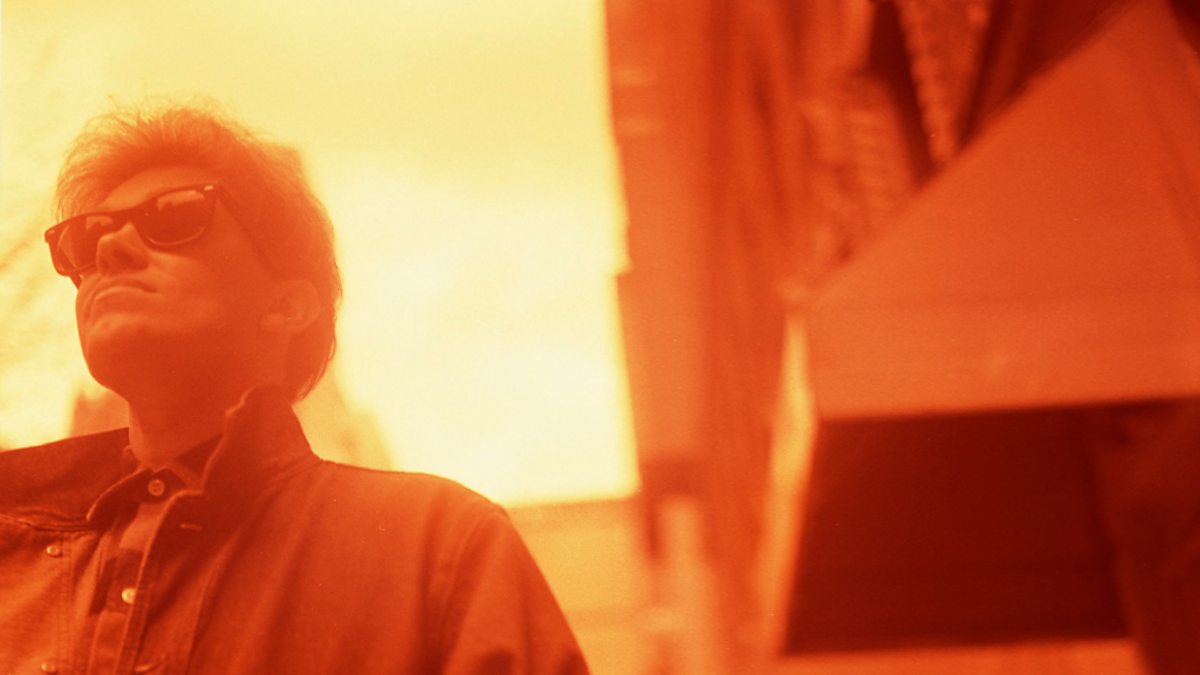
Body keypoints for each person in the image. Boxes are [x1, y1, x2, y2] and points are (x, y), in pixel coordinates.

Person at [0, 103, 589, 673]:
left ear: (287, 306)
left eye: (175, 216)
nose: (110, 249)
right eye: (88, 238)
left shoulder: (440, 551)